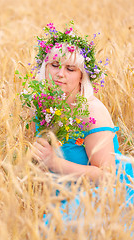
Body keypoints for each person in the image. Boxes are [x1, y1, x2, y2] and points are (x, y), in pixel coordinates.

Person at [31, 23, 134, 202]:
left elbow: (108, 177)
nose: (60, 74)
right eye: (54, 65)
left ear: (82, 76)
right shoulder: (41, 107)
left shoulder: (92, 112)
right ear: (45, 68)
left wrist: (54, 162)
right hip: (57, 202)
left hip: (99, 203)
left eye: (70, 69)